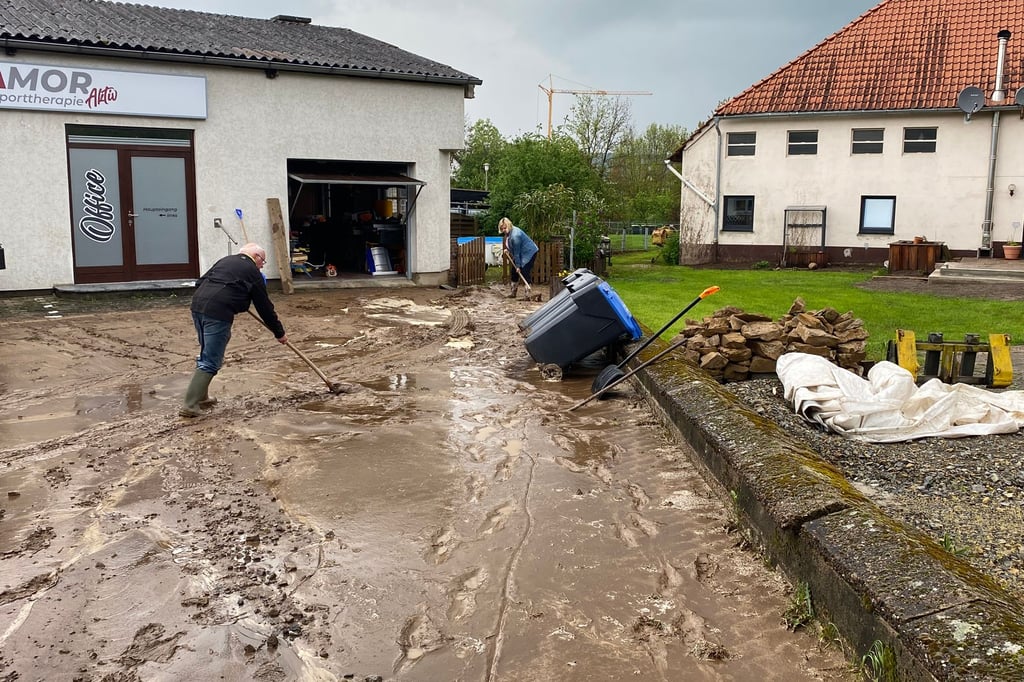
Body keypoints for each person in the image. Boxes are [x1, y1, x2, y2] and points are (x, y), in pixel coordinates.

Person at [180, 243, 288, 417]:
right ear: (256, 256)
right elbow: (265, 307)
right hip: (218, 313)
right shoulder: (253, 272)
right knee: (211, 360)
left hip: (198, 306)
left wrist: (239, 300)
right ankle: (190, 406)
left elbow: (200, 283)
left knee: (206, 352)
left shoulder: (225, 261)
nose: (262, 266)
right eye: (263, 261)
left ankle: (202, 397)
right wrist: (279, 333)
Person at [498, 217, 538, 298]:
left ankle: (528, 294)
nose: (503, 230)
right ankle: (513, 292)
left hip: (529, 252)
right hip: (521, 253)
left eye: (505, 228)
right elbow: (513, 248)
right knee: (514, 272)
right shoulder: (509, 233)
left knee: (524, 271)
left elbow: (517, 253)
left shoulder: (515, 235)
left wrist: (518, 266)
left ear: (509, 225)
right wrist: (508, 250)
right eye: (502, 229)